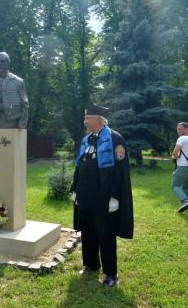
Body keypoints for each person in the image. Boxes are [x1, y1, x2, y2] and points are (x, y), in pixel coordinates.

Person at [70, 102, 134, 287]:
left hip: (104, 197)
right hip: (86, 196)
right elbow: (79, 167)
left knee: (105, 235)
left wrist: (114, 197)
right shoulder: (86, 140)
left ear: (97, 120)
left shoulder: (115, 139)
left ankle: (111, 273)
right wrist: (75, 189)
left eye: (86, 117)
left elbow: (120, 171)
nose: (84, 121)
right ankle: (90, 264)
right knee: (88, 232)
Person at [171, 122, 188, 213]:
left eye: (180, 129)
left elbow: (174, 153)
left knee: (175, 185)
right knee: (185, 186)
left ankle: (185, 201)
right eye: (177, 129)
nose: (178, 131)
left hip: (183, 167)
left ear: (186, 129)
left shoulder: (182, 138)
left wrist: (174, 157)